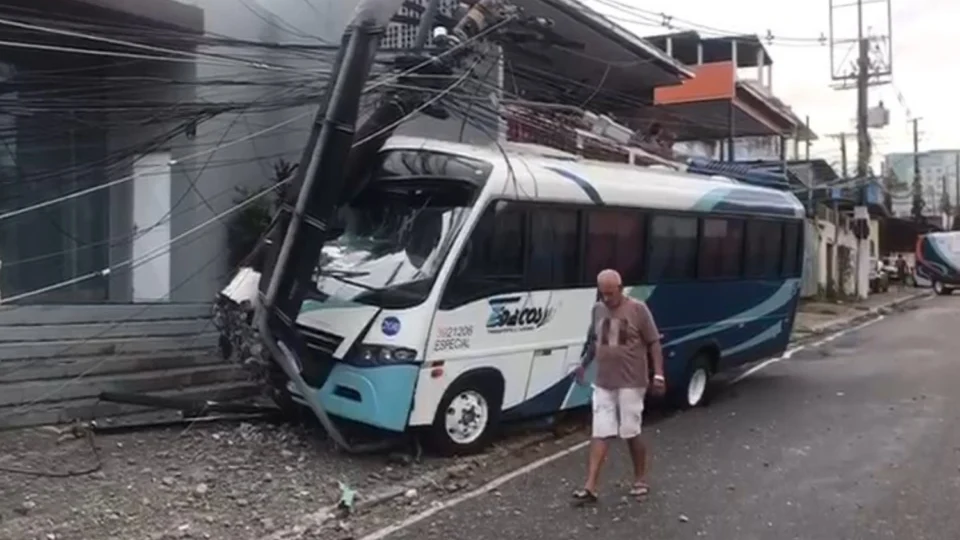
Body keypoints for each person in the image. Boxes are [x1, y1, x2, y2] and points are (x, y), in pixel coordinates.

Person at [571, 269, 665, 505]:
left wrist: (659, 375)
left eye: (610, 294)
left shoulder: (637, 309)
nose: (606, 299)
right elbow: (595, 341)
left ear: (621, 289)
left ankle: (641, 478)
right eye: (602, 294)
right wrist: (583, 365)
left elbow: (654, 342)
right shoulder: (598, 309)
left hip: (632, 381)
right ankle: (590, 486)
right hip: (604, 381)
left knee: (630, 431)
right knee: (600, 431)